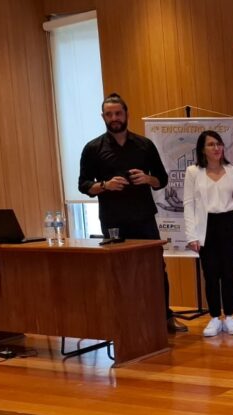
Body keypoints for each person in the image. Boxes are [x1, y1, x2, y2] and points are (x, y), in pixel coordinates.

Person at [78, 93, 185, 334]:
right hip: (113, 221)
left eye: (118, 113)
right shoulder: (93, 148)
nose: (114, 118)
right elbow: (83, 185)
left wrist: (147, 178)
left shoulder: (144, 145)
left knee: (155, 268)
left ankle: (165, 317)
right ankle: (124, 321)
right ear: (103, 117)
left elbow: (162, 180)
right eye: (109, 114)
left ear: (126, 114)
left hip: (144, 218)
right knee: (118, 271)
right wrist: (105, 185)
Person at [183, 130, 233, 337]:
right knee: (211, 274)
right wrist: (191, 236)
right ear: (202, 149)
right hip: (206, 226)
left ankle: (229, 317)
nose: (216, 148)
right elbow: (188, 204)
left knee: (228, 273)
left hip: (229, 223)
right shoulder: (193, 172)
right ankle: (214, 317)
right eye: (211, 144)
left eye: (219, 144)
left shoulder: (232, 171)